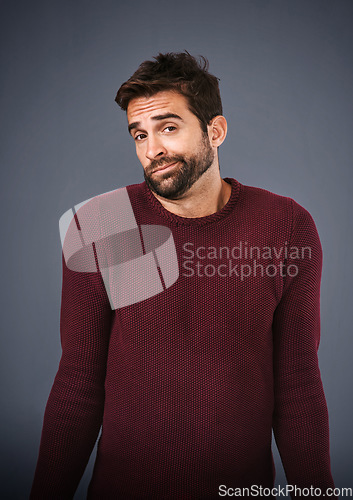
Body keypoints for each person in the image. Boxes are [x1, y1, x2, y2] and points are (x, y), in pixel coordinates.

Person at [31, 52, 335, 499]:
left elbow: (299, 386)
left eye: (168, 128)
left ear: (216, 130)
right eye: (140, 134)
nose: (152, 149)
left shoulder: (284, 226)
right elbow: (79, 382)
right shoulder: (105, 224)